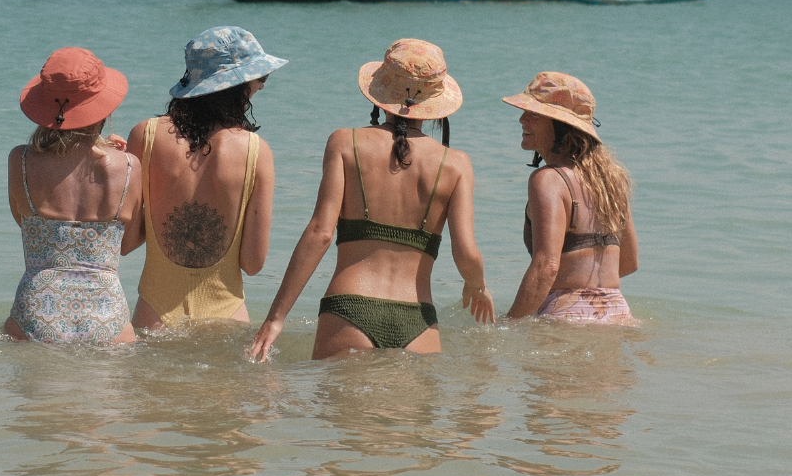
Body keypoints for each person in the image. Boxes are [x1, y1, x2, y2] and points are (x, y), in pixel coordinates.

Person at [249, 39, 495, 361]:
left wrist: (275, 317)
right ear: (435, 103)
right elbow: (466, 253)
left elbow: (320, 233)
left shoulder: (344, 143)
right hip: (418, 319)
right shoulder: (457, 164)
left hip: (348, 309)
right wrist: (477, 286)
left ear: (381, 93)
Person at [125, 27, 283, 330]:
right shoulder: (256, 151)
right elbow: (252, 263)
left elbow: (127, 241)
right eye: (260, 77)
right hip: (227, 318)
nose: (261, 86)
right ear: (238, 83)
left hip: (155, 317)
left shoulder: (144, 135)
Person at [6, 47, 142, 344]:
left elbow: (24, 222)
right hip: (107, 311)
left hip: (37, 309)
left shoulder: (21, 160)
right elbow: (127, 244)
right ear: (102, 106)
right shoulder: (128, 166)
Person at [502, 72, 639, 324]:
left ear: (560, 125)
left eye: (533, 114)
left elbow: (546, 268)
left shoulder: (549, 179)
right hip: (618, 313)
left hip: (566, 316)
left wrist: (507, 324)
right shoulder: (612, 181)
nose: (522, 119)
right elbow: (629, 262)